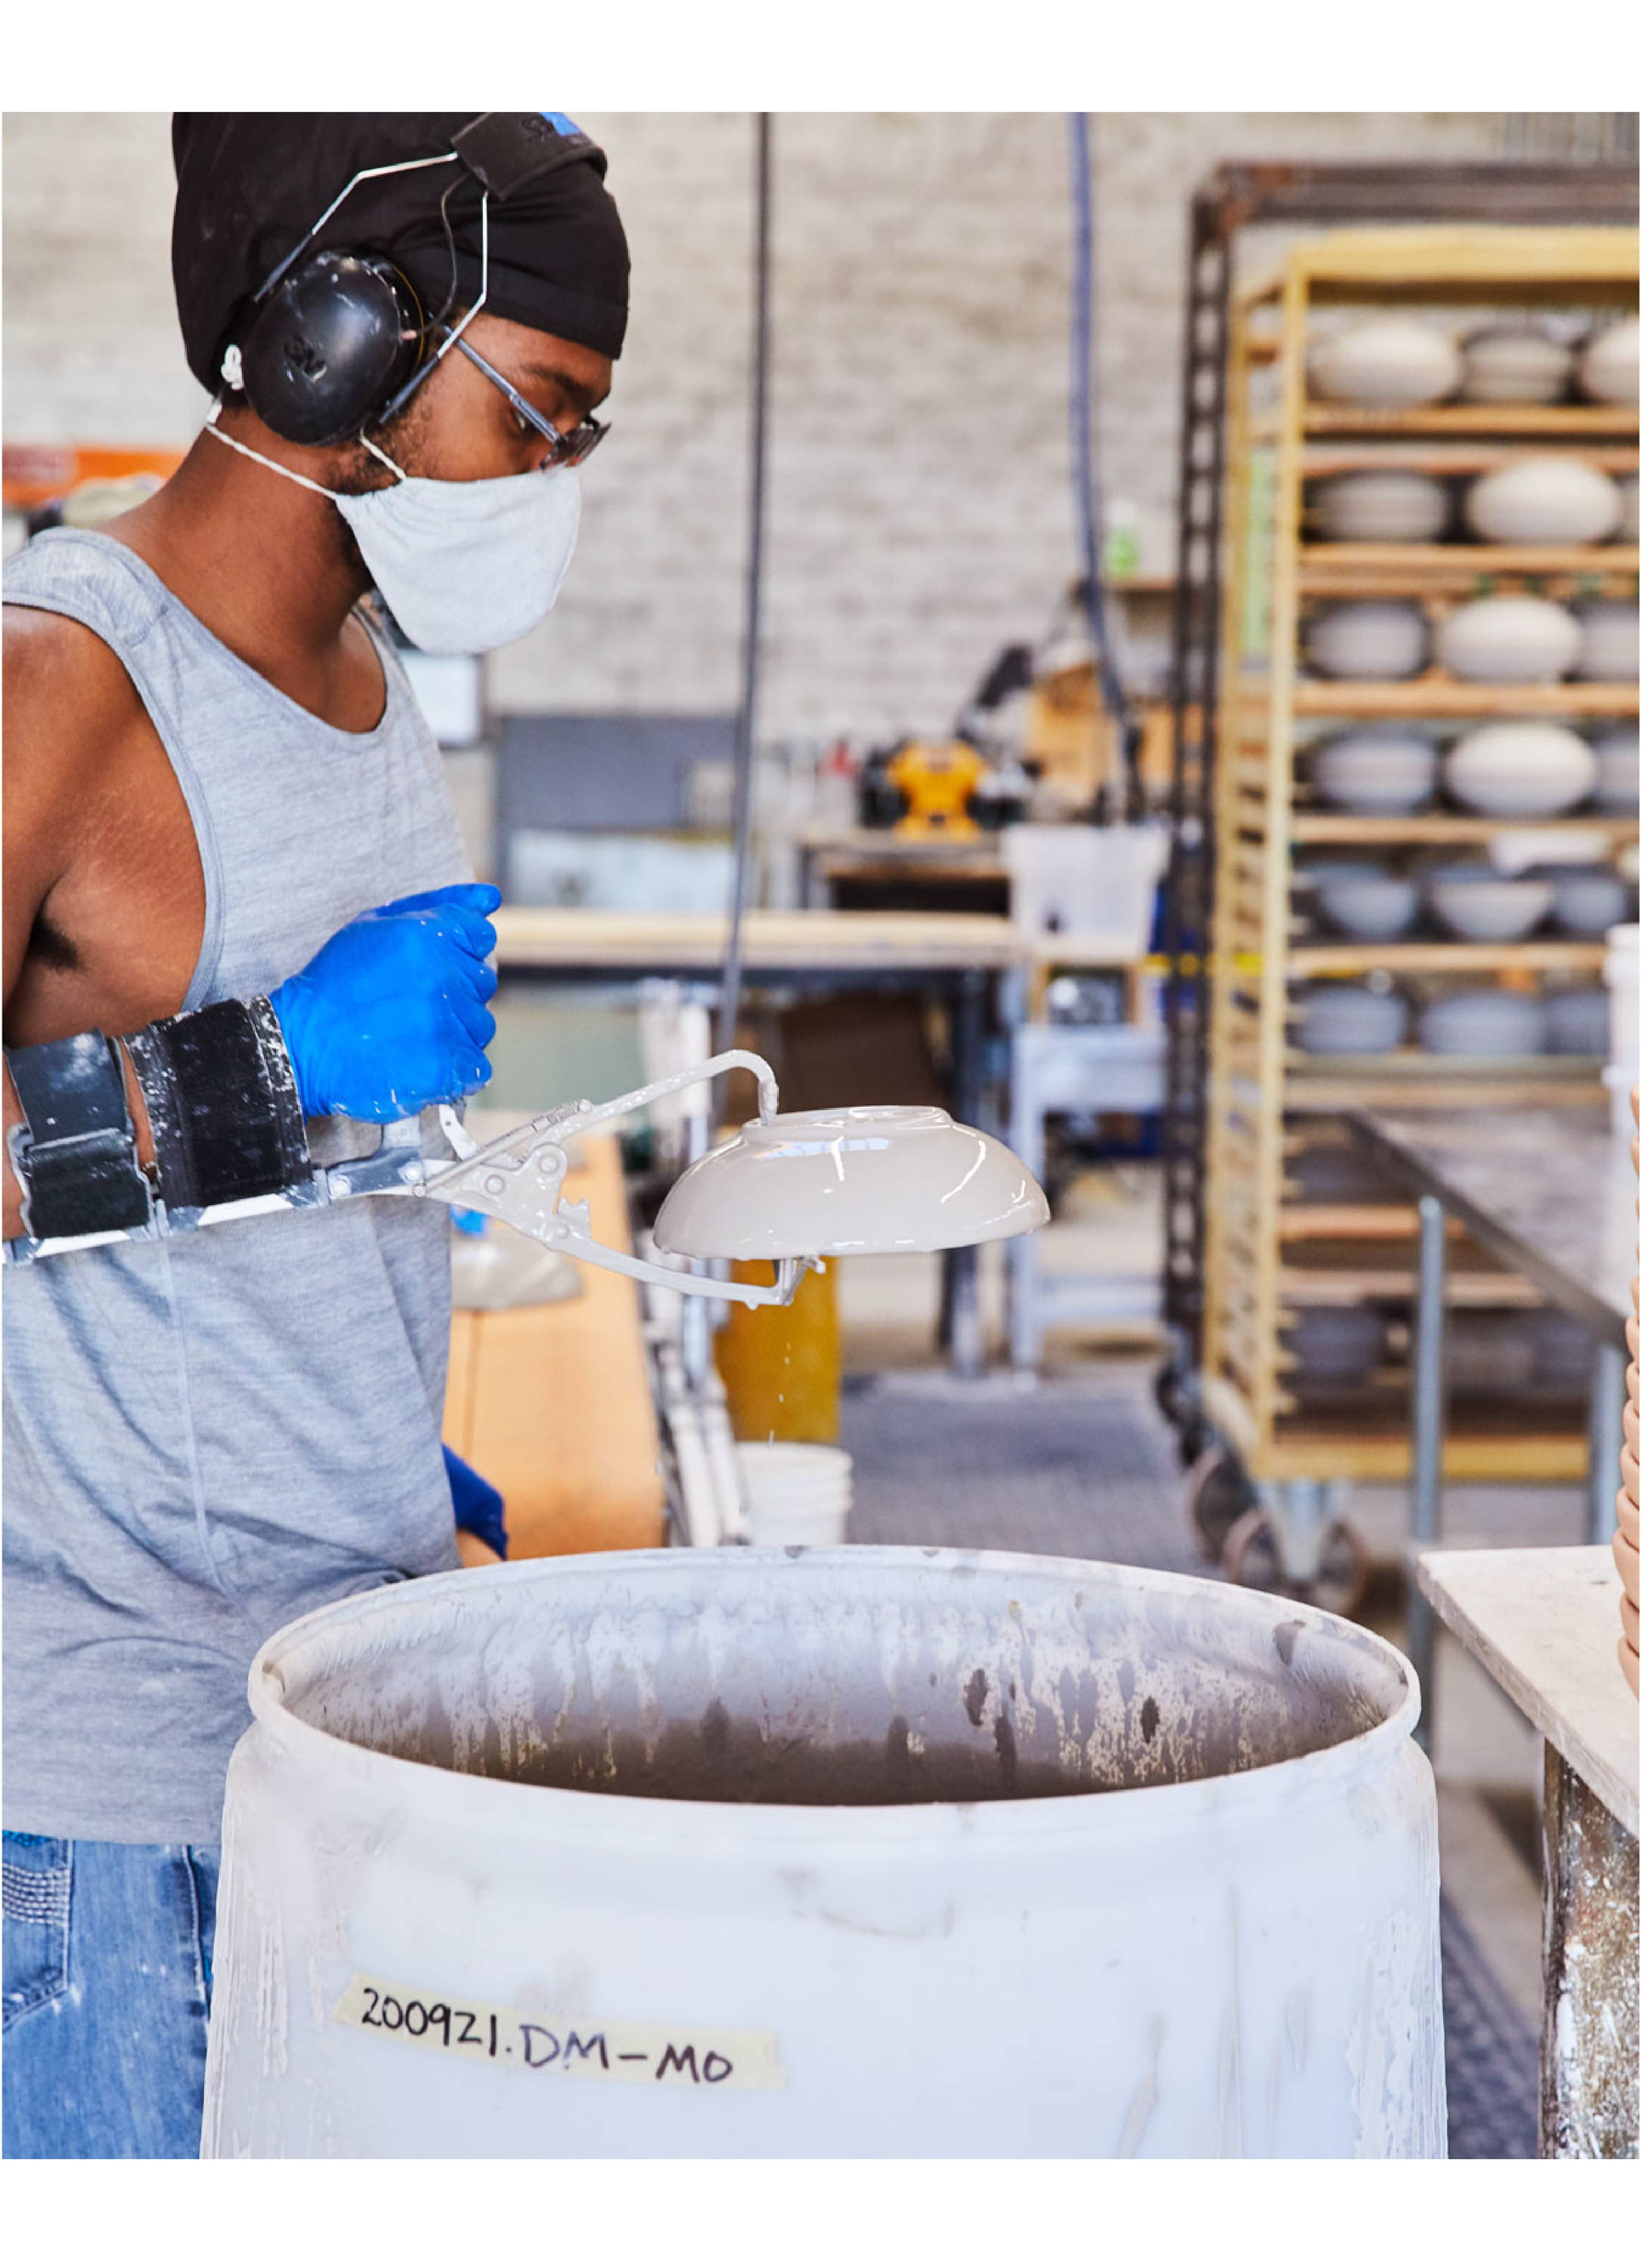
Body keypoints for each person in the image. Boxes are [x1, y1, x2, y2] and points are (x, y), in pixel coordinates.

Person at [1, 112, 629, 2158]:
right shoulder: (64, 680)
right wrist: (272, 1070)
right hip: (102, 1788)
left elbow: (284, 1193)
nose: (548, 487)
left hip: (331, 1680)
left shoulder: (364, 676)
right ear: (341, 340)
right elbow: (247, 1107)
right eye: (537, 418)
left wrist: (371, 1419)